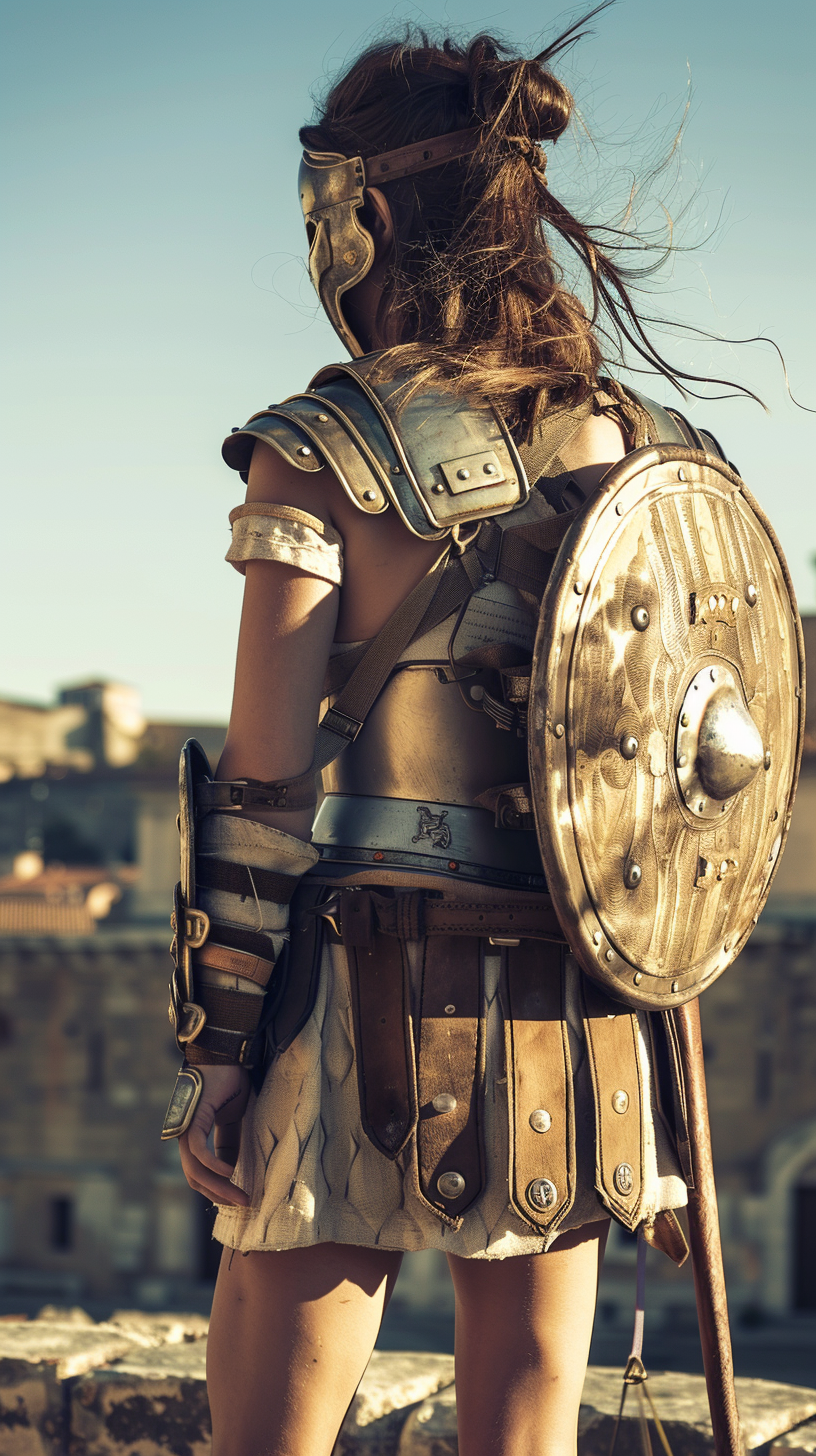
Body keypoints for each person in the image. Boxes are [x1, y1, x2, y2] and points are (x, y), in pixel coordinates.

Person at [166, 16, 726, 1456]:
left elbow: (266, 785)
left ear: (363, 215)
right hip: (576, 1001)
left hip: (367, 987)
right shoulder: (655, 452)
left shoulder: (331, 444)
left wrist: (221, 1049)